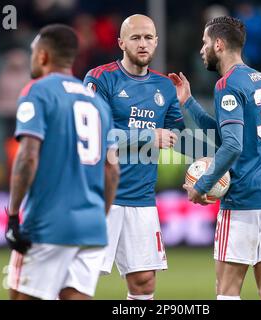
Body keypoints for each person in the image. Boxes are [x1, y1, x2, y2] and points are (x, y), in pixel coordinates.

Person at [169, 16, 261, 300]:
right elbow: (225, 136)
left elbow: (232, 146)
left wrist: (202, 186)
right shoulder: (258, 79)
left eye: (204, 43)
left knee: (226, 291)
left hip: (246, 200)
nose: (201, 49)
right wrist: (188, 102)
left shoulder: (227, 84)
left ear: (219, 44)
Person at [5, 24, 120, 300]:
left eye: (33, 52)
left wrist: (12, 214)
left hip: (47, 223)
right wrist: (98, 216)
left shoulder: (37, 91)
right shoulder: (97, 102)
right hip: (91, 227)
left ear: (43, 56)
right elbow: (113, 169)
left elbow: (28, 156)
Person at [83, 14, 185, 300]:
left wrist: (185, 103)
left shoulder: (164, 86)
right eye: (136, 37)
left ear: (156, 41)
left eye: (148, 37)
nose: (143, 44)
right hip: (101, 197)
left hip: (141, 198)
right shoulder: (100, 78)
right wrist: (148, 137)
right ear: (121, 43)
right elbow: (95, 136)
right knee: (79, 281)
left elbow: (178, 134)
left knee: (144, 283)